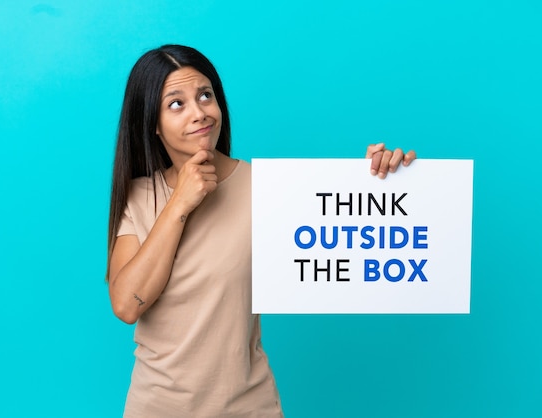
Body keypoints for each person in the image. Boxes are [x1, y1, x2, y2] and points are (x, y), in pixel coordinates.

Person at [106, 44, 416, 418]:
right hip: (155, 407)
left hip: (248, 407)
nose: (200, 112)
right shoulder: (138, 198)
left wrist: (380, 183)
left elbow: (343, 236)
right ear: (152, 122)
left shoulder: (269, 190)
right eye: (177, 103)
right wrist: (179, 205)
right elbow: (126, 305)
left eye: (206, 95)